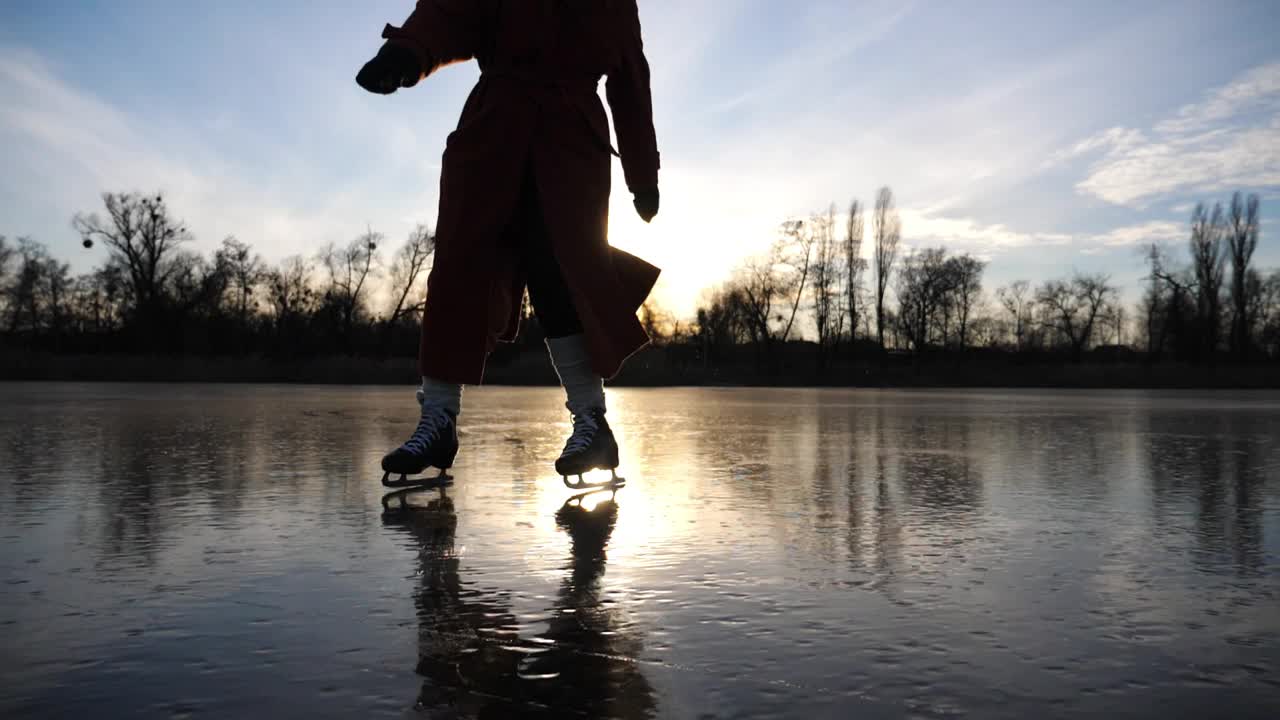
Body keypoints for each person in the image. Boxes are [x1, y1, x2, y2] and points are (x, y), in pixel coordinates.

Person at [356, 0, 661, 482]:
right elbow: (453, 11)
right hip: (494, 128)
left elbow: (629, 78)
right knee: (459, 265)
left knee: (564, 272)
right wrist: (408, 53)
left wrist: (642, 173)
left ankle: (591, 422)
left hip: (570, 140)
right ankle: (437, 418)